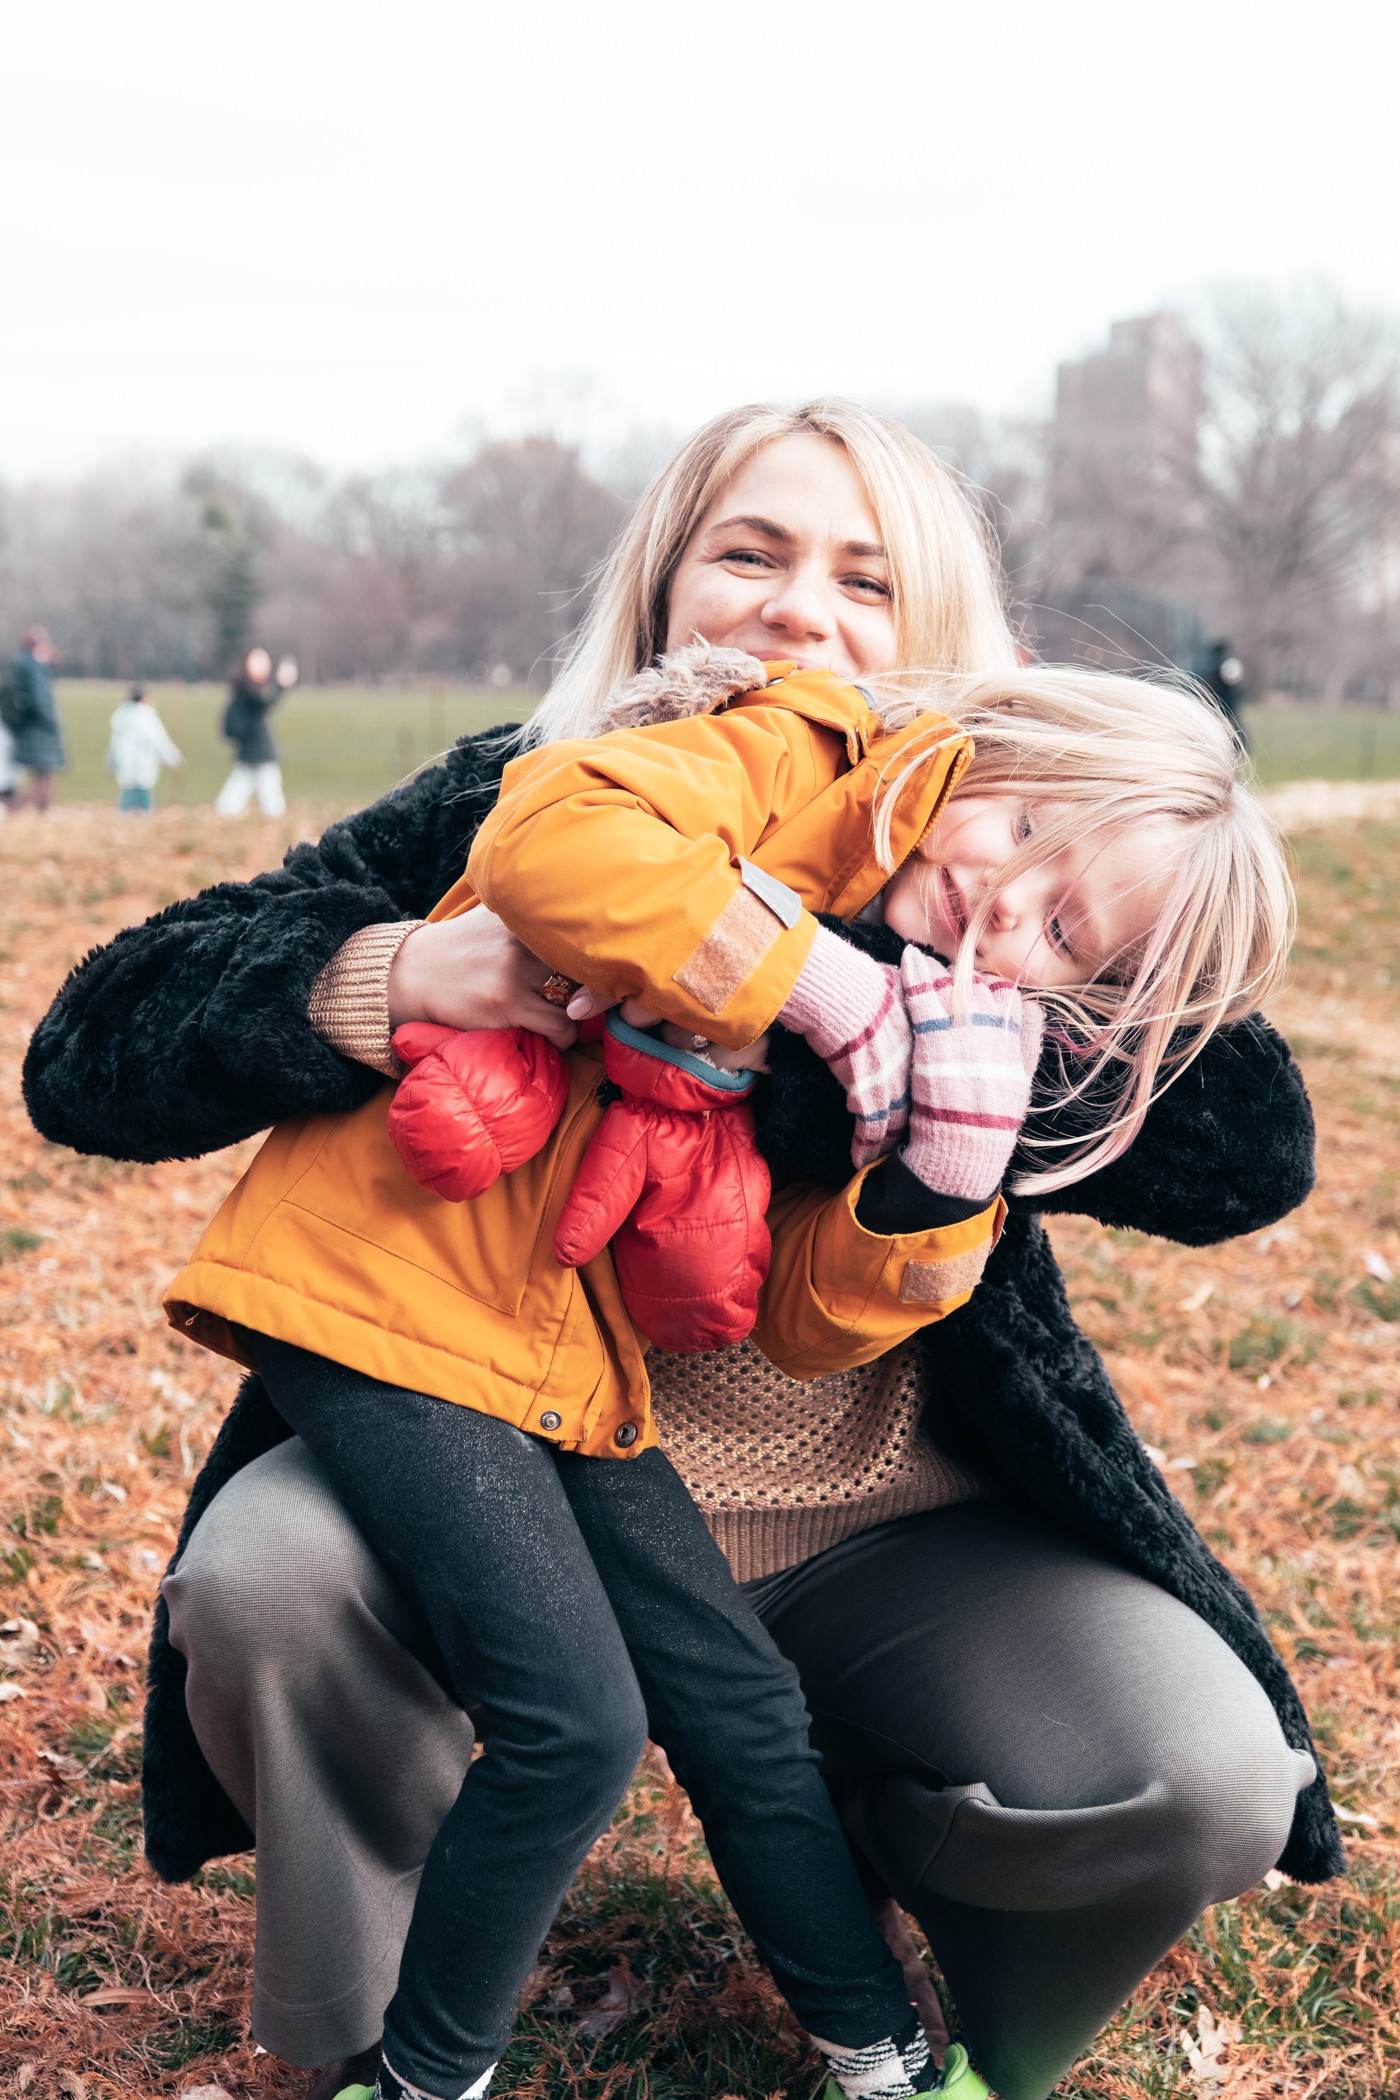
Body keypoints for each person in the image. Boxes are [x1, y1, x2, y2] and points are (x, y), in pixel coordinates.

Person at [21, 403, 1337, 2100]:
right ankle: (365, 2030)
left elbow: (1249, 1143)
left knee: (1204, 1772)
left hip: (889, 1520)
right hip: (503, 1448)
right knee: (270, 1583)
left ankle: (949, 1980)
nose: (798, 608)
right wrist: (398, 977)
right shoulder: (536, 793)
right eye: (750, 552)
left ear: (961, 650)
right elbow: (92, 1048)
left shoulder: (1012, 898)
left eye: (867, 578)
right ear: (662, 583)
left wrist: (931, 1085)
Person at [215, 645, 297, 816]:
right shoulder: (247, 689)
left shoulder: (244, 688)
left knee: (245, 780)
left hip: (252, 746)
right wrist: (281, 685)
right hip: (257, 747)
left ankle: (226, 809)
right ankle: (273, 814)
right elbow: (265, 702)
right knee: (268, 786)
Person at [1, 625, 66, 811]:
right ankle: (17, 807)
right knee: (45, 775)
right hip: (39, 727)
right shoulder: (34, 667)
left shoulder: (19, 663)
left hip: (24, 726)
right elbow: (41, 698)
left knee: (42, 774)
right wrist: (51, 721)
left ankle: (30, 809)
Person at [107, 683, 183, 812]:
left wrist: (111, 763)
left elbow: (114, 744)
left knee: (126, 804)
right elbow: (159, 741)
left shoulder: (120, 716)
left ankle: (124, 817)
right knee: (144, 806)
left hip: (125, 768)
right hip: (143, 767)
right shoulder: (147, 717)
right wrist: (173, 758)